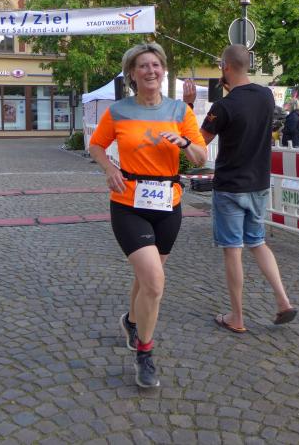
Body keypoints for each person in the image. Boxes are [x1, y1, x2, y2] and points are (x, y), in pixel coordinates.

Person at [88, 42, 207, 388]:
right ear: (132, 73)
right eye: (143, 65)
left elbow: (201, 157)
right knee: (154, 281)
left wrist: (184, 144)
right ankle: (145, 351)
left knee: (145, 279)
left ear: (163, 70)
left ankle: (131, 321)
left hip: (168, 204)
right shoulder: (119, 111)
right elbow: (95, 145)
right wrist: (109, 168)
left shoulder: (179, 111)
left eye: (155, 64)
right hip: (128, 203)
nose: (150, 71)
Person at [198, 44, 296, 335]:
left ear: (225, 67)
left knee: (233, 251)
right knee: (258, 242)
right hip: (259, 183)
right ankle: (283, 301)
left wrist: (190, 106)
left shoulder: (223, 106)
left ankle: (236, 317)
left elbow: (199, 143)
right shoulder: (266, 95)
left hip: (230, 186)